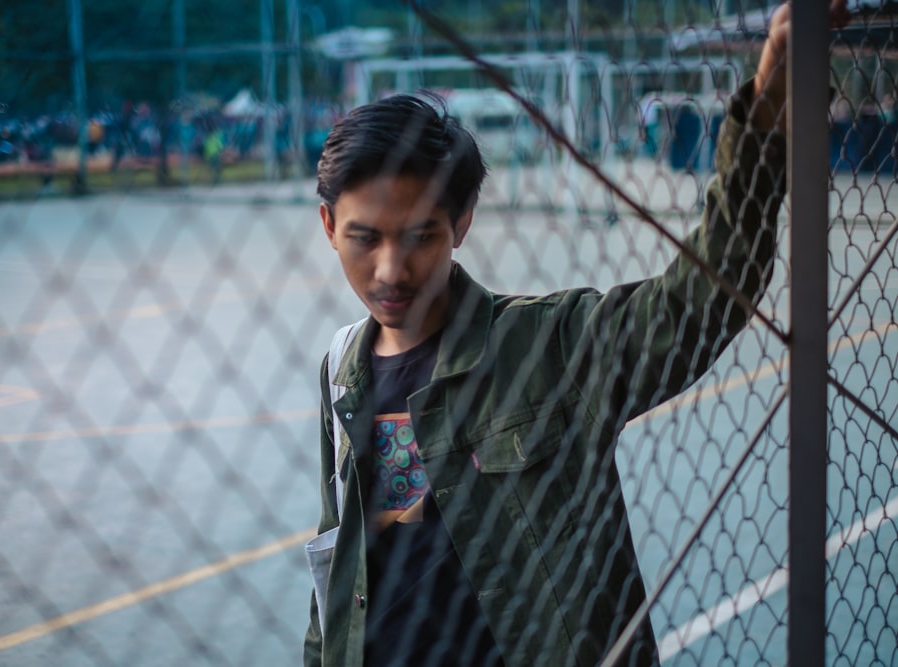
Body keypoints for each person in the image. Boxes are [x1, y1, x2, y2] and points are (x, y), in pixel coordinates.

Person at [304, 3, 849, 666]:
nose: (391, 268)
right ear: (330, 225)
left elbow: (698, 302)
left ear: (463, 223)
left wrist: (763, 109)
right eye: (365, 238)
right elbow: (336, 573)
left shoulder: (546, 346)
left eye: (421, 235)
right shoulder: (341, 370)